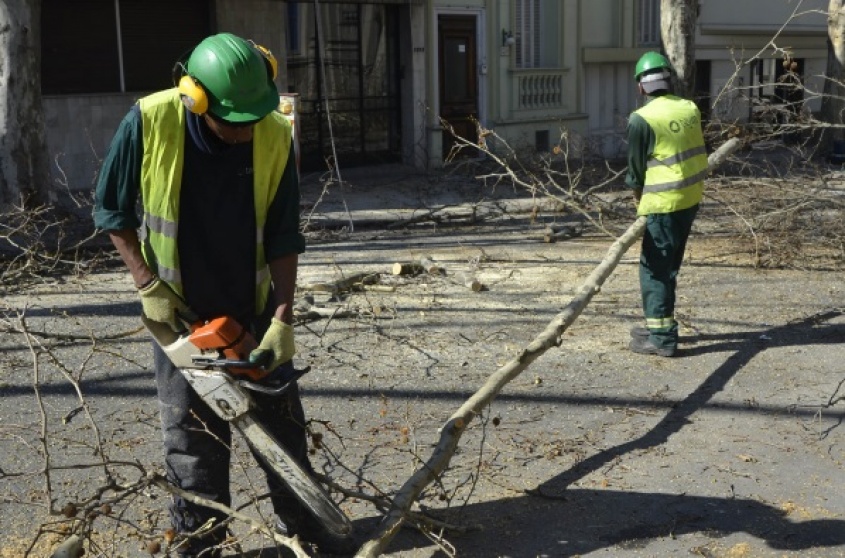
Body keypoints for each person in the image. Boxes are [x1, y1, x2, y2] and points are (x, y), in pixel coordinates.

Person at [93, 32, 355, 556]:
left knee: (282, 434)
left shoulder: (273, 131)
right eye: (234, 123)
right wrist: (148, 286)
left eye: (254, 119)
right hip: (179, 315)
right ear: (196, 98)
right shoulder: (148, 121)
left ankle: (306, 533)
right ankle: (201, 542)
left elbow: (284, 233)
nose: (246, 133)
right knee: (192, 444)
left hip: (252, 308)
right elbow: (111, 212)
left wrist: (282, 318)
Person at [625, 52, 708, 358]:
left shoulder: (641, 119)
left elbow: (635, 172)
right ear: (669, 80)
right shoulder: (689, 108)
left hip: (664, 203)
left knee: (655, 269)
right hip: (690, 198)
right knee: (669, 265)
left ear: (641, 87)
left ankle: (661, 337)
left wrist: (638, 199)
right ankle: (658, 322)